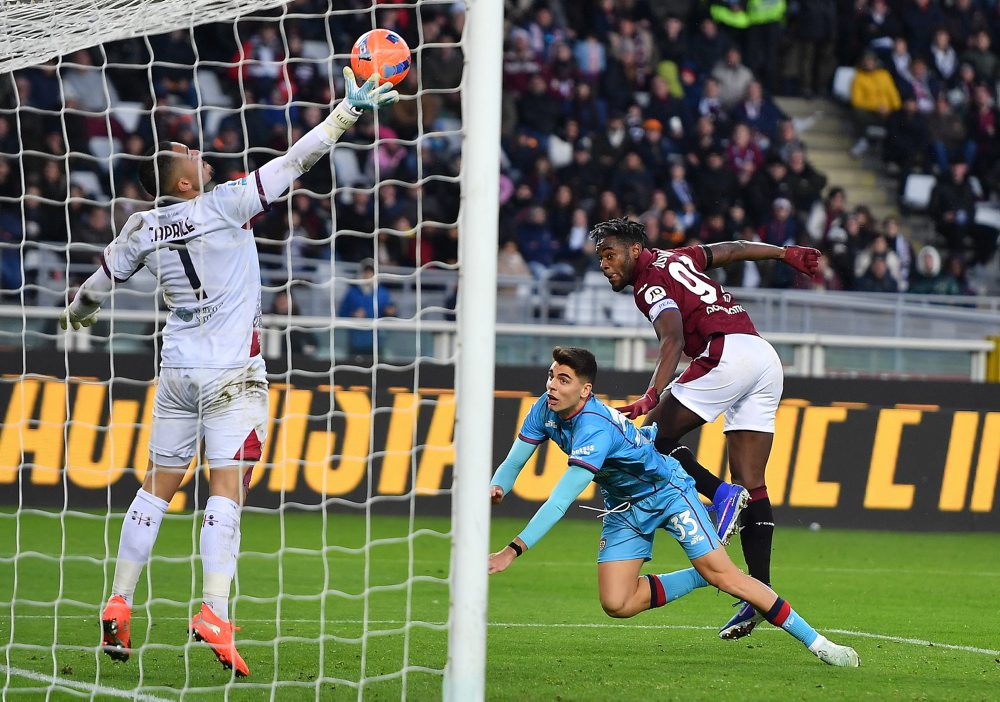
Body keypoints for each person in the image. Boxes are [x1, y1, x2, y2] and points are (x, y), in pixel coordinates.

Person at [59, 68, 398, 678]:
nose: (200, 152)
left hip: (177, 371)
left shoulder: (141, 228)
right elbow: (297, 160)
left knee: (156, 488)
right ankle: (213, 610)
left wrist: (77, 316)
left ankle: (119, 600)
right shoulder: (225, 203)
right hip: (232, 374)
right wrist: (346, 113)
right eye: (190, 153)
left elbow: (92, 291)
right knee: (228, 487)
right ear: (185, 181)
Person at [488, 346, 859, 668]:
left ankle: (819, 643)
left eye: (563, 380)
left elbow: (559, 501)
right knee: (617, 603)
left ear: (584, 390)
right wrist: (497, 486)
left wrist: (512, 550)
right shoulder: (545, 408)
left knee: (730, 579)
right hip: (624, 507)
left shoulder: (594, 429)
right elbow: (514, 461)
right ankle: (702, 573)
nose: (552, 386)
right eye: (551, 376)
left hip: (667, 493)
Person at [590, 217, 820, 640]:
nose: (604, 264)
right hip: (762, 354)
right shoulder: (680, 257)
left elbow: (673, 339)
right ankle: (760, 593)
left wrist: (651, 394)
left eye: (610, 255)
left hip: (725, 352)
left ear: (635, 250)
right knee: (753, 482)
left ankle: (720, 495)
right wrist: (785, 254)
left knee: (652, 440)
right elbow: (733, 248)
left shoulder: (648, 285)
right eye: (600, 257)